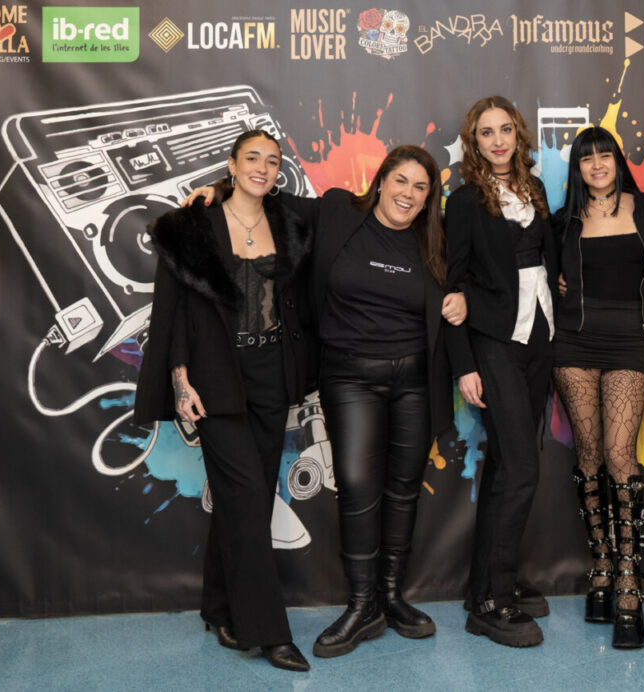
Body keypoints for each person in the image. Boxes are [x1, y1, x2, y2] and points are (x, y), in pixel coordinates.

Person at [187, 145, 462, 659]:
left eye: (420, 187)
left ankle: (390, 597)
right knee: (357, 485)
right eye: (400, 181)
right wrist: (218, 191)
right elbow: (265, 197)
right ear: (380, 182)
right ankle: (361, 607)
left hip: (417, 381)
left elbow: (479, 275)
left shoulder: (439, 238)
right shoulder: (338, 210)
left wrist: (464, 295)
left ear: (430, 198)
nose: (408, 193)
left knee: (402, 488)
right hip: (350, 376)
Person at [134, 130, 314, 672]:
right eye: (251, 158)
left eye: (272, 161)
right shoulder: (193, 225)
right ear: (231, 164)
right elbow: (172, 310)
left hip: (272, 374)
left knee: (251, 502)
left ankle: (218, 606)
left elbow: (341, 207)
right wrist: (181, 381)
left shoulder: (289, 218)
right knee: (242, 497)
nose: (262, 167)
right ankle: (269, 631)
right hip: (215, 376)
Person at [445, 95, 557, 648]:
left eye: (505, 129)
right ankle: (492, 604)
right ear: (474, 141)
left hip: (540, 337)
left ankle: (487, 584)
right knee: (522, 467)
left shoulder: (534, 190)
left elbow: (547, 257)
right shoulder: (464, 201)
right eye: (486, 132)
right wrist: (464, 363)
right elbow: (453, 284)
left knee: (504, 470)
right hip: (493, 341)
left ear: (518, 134)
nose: (497, 140)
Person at [552, 126, 644, 649]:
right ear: (577, 168)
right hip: (573, 342)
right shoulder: (563, 222)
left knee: (622, 455)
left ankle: (627, 579)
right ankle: (599, 563)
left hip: (629, 342)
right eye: (586, 158)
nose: (597, 164)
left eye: (605, 155)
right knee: (590, 452)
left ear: (618, 161)